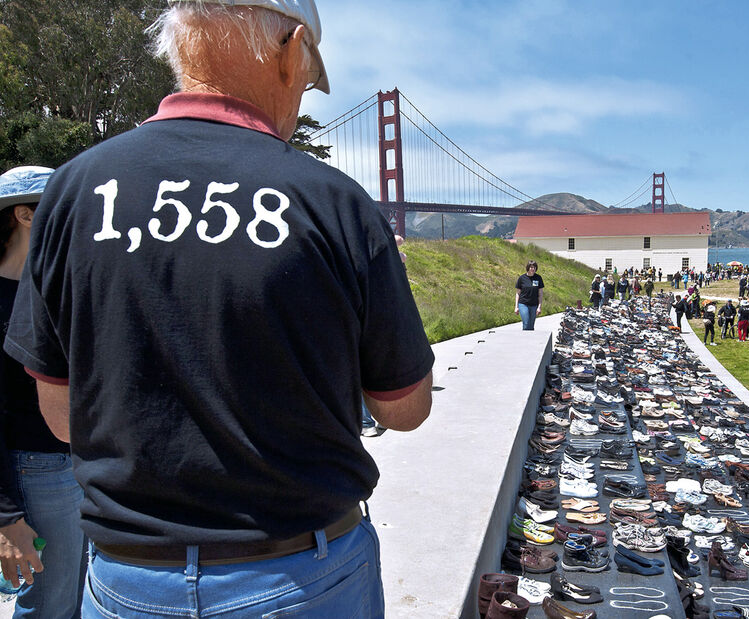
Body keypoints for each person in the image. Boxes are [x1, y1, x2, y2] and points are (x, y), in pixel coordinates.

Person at [3, 2, 435, 616]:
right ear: (289, 52)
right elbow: (405, 408)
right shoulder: (335, 202)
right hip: (303, 578)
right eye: (311, 78)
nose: (304, 97)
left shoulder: (72, 191)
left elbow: (62, 416)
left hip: (127, 583)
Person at [0, 167, 85, 617]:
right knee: (51, 604)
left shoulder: (55, 289)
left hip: (79, 463)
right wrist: (5, 518)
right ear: (24, 215)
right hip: (35, 470)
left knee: (75, 597)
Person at [514, 260, 543, 330]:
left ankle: (531, 340)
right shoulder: (522, 278)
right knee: (526, 324)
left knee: (531, 325)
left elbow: (540, 293)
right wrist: (516, 307)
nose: (533, 269)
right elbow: (518, 293)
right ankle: (524, 340)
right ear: (528, 268)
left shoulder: (538, 278)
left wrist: (539, 307)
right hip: (523, 304)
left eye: (534, 267)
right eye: (531, 267)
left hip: (534, 305)